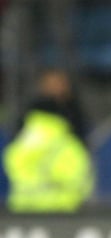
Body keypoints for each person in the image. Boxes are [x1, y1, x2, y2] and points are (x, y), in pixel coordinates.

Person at [4, 70, 93, 213]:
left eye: (59, 83)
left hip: (23, 206)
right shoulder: (67, 138)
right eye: (51, 84)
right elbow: (78, 174)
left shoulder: (24, 134)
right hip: (62, 207)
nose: (56, 88)